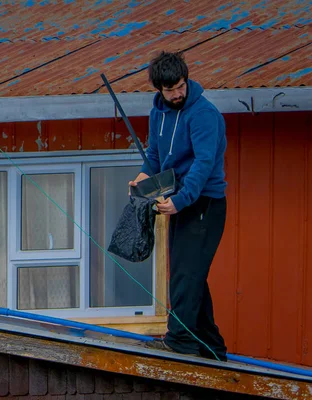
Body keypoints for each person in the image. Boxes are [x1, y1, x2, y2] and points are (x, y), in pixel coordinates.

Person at [129, 51, 228, 361]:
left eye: (180, 87)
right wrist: (145, 175)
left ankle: (180, 341)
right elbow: (156, 155)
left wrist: (181, 200)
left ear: (187, 80)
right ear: (159, 89)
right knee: (190, 274)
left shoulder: (203, 113)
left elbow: (204, 163)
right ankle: (211, 348)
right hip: (177, 201)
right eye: (169, 90)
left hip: (205, 203)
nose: (176, 94)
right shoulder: (158, 113)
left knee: (185, 275)